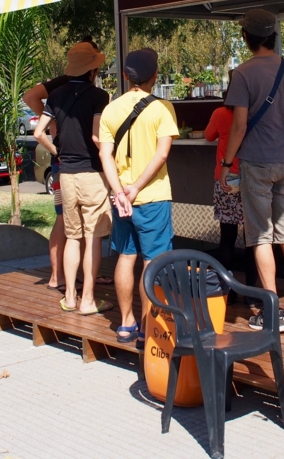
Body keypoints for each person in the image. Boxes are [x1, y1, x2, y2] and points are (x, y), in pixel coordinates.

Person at [223, 9, 284, 332]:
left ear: (247, 38)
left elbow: (239, 125)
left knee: (260, 236)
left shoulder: (243, 74)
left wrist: (225, 163)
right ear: (273, 36)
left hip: (255, 164)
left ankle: (271, 312)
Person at [99, 48, 179, 348]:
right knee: (153, 261)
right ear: (155, 76)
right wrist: (136, 188)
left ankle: (125, 323)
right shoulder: (163, 109)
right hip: (153, 196)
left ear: (125, 75)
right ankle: (148, 326)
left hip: (121, 200)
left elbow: (105, 155)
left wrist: (120, 191)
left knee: (126, 256)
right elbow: (162, 153)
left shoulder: (110, 109)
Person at [34, 42, 113, 316]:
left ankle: (69, 297)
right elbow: (95, 135)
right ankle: (88, 300)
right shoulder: (100, 96)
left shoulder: (56, 95)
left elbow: (38, 133)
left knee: (72, 236)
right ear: (92, 69)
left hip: (65, 174)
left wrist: (58, 150)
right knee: (93, 237)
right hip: (92, 173)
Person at [24, 35, 100, 292]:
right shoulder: (88, 91)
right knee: (83, 232)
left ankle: (69, 288)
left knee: (72, 229)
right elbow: (30, 95)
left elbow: (37, 131)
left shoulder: (60, 93)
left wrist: (57, 134)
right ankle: (72, 285)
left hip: (65, 166)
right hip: (83, 166)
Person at [204, 93, 258, 293]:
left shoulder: (220, 113)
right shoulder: (254, 113)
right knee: (253, 238)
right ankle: (252, 292)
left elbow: (209, 136)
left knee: (227, 236)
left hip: (229, 177)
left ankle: (225, 290)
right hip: (252, 176)